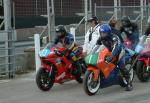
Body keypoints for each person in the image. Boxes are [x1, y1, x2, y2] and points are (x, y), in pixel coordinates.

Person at [97, 24, 133, 91]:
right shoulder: (101, 38)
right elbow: (96, 46)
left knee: (121, 66)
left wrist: (111, 56)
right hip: (110, 51)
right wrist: (92, 53)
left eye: (104, 33)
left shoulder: (114, 38)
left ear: (108, 32)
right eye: (101, 33)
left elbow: (116, 48)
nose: (102, 35)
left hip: (119, 51)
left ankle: (129, 83)